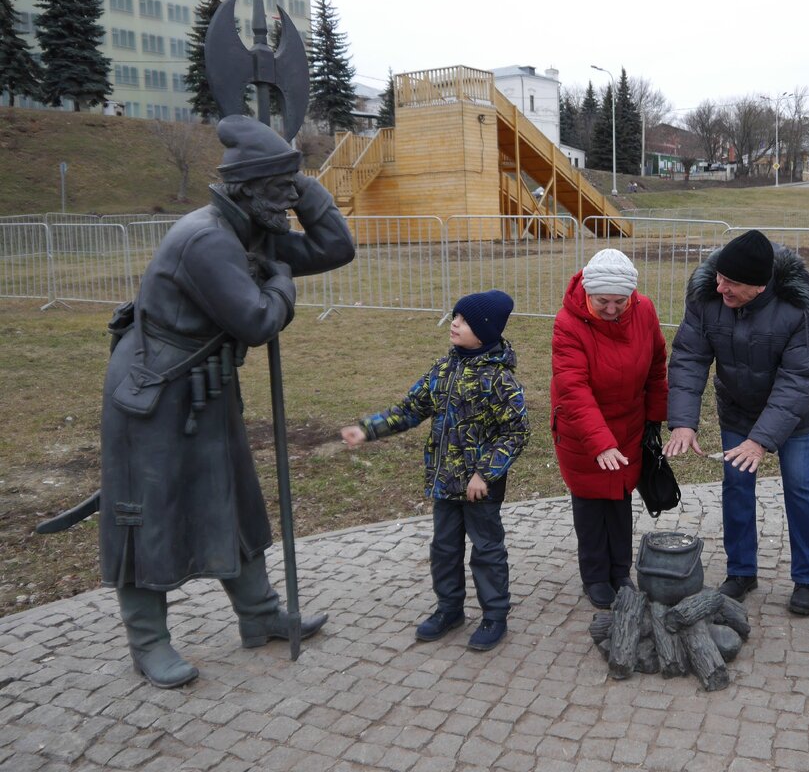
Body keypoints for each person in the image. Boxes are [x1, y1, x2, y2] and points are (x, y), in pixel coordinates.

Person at [99, 115, 355, 688]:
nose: (288, 204)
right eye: (279, 192)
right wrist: (281, 280)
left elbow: (336, 246)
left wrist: (298, 179)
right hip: (156, 393)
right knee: (151, 515)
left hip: (205, 385)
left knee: (234, 498)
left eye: (292, 192)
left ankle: (259, 616)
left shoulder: (252, 226)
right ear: (244, 189)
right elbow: (258, 318)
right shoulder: (209, 239)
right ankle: (149, 643)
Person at [341, 290, 529, 651]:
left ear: (485, 331)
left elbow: (516, 433)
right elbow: (410, 409)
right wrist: (367, 429)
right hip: (445, 484)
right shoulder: (443, 370)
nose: (454, 323)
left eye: (463, 320)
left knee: (487, 550)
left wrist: (485, 474)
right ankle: (449, 609)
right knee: (443, 548)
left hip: (479, 488)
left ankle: (494, 616)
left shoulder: (500, 381)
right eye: (455, 317)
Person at [664, 229, 809, 615]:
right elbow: (689, 357)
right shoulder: (707, 297)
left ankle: (807, 579)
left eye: (731, 283)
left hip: (796, 416)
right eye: (719, 277)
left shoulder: (799, 307)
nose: (720, 287)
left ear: (759, 285)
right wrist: (683, 422)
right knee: (736, 486)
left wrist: (761, 441)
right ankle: (741, 571)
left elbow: (799, 379)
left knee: (800, 486)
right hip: (738, 409)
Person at [551, 249, 668, 609]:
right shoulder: (567, 324)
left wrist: (654, 419)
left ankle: (621, 572)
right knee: (590, 505)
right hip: (582, 430)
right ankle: (595, 576)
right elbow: (573, 388)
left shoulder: (644, 310)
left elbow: (656, 364)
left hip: (629, 423)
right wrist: (600, 443)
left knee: (620, 501)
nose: (613, 309)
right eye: (603, 301)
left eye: (620, 301)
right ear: (588, 293)